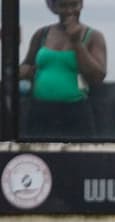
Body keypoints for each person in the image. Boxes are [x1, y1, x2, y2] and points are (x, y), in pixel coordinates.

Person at [19, 0, 106, 138]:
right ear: (52, 7)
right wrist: (24, 71)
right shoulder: (41, 34)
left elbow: (97, 77)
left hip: (75, 112)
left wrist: (76, 42)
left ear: (82, 4)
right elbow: (25, 65)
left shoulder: (93, 36)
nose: (69, 11)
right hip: (40, 111)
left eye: (74, 5)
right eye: (63, 6)